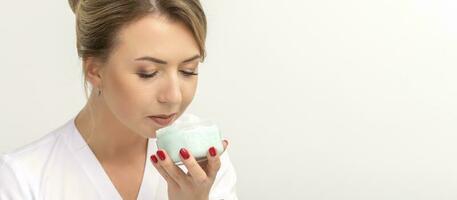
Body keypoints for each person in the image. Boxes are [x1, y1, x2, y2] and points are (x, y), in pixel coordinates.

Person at [0, 0, 238, 199]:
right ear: (95, 71)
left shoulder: (203, 165)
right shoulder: (22, 180)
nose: (174, 96)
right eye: (148, 73)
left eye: (189, 70)